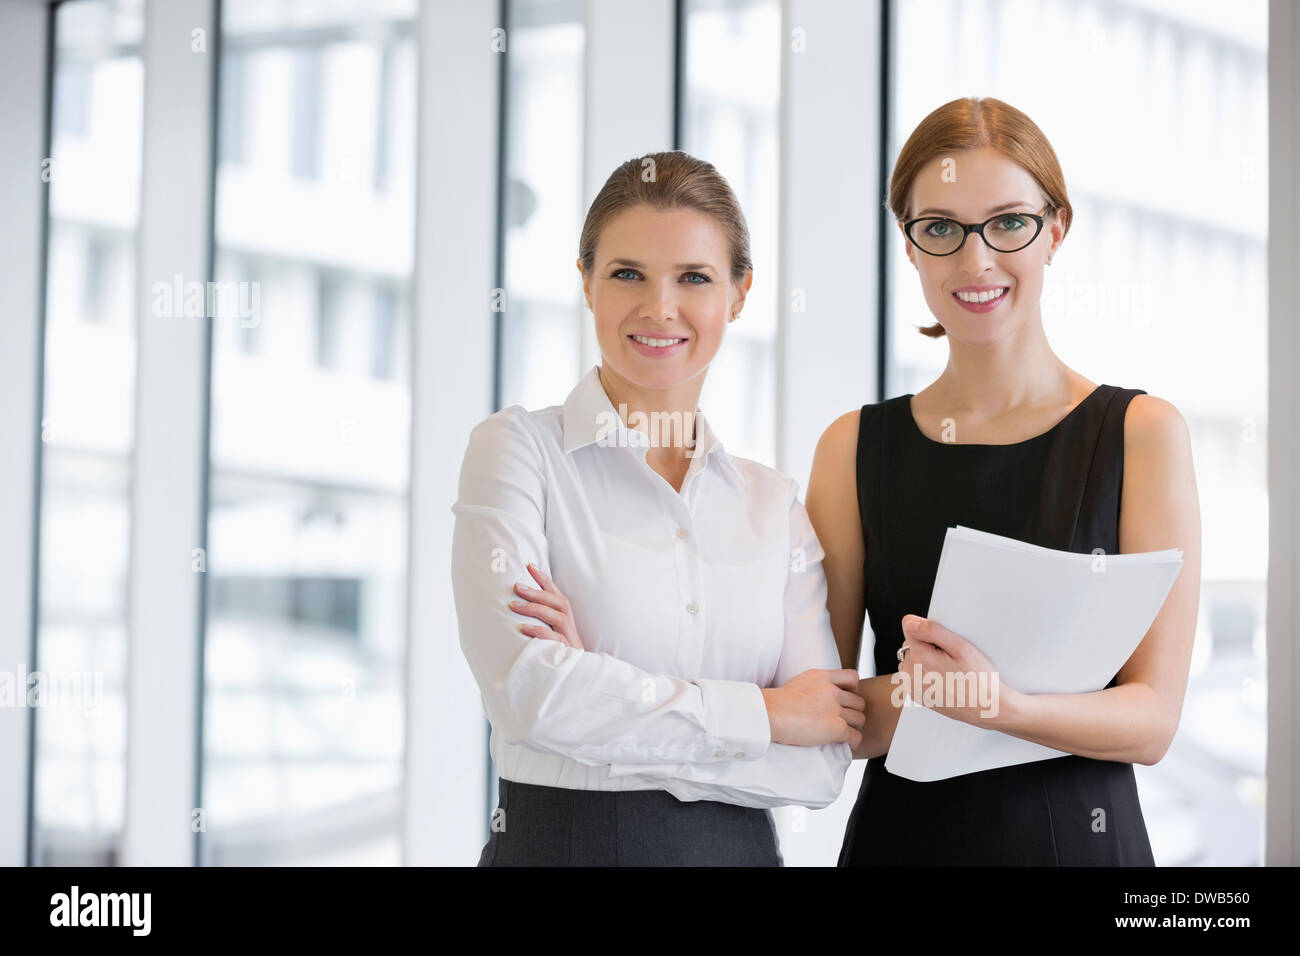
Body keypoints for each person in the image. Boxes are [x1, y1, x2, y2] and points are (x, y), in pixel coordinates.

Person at [806, 96, 1202, 866]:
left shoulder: (1143, 435)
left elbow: (1153, 721)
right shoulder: (852, 448)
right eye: (942, 228)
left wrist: (999, 705)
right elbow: (827, 711)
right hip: (902, 845)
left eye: (1009, 223)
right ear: (911, 245)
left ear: (1056, 230)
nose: (975, 260)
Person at [451, 150, 865, 866]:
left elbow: (822, 759)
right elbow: (532, 695)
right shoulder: (518, 453)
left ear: (739, 294)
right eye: (627, 274)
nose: (659, 307)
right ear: (585, 282)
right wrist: (765, 714)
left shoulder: (772, 507)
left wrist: (601, 693)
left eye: (694, 278)